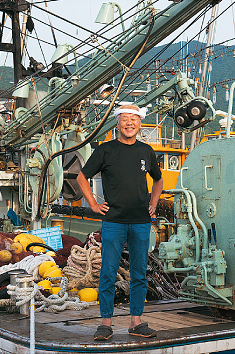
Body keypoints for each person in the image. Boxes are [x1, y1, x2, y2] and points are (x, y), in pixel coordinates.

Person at [77, 104, 163, 341]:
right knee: (108, 272)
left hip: (141, 222)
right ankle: (106, 323)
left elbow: (158, 180)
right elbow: (82, 176)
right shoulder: (106, 150)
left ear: (140, 124)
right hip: (114, 221)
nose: (129, 123)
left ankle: (136, 322)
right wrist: (93, 205)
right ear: (118, 124)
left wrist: (153, 203)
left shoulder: (146, 151)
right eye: (125, 119)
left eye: (133, 119)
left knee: (139, 274)